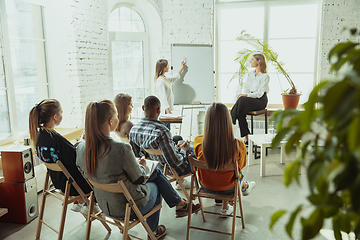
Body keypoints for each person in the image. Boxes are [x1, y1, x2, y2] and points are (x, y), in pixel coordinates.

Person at [76, 100, 201, 239]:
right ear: (111, 121)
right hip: (129, 208)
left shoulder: (81, 148)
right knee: (156, 179)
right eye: (117, 115)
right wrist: (142, 165)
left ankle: (180, 205)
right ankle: (155, 229)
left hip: (105, 206)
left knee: (156, 173)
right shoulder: (121, 149)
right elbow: (139, 178)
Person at [29, 99, 92, 214]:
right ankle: (88, 205)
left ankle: (80, 202)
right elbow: (76, 159)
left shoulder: (39, 137)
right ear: (55, 117)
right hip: (74, 185)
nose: (62, 116)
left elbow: (64, 156)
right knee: (98, 175)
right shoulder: (56, 139)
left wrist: (73, 147)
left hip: (59, 182)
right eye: (61, 113)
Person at [194, 102, 256, 217]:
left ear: (208, 121)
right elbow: (240, 166)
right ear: (227, 121)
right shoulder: (238, 145)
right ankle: (230, 201)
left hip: (206, 186)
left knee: (219, 169)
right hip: (229, 188)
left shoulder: (198, 142)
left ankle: (243, 188)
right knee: (235, 172)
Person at [129, 95, 192, 189]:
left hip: (156, 168)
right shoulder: (163, 131)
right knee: (197, 152)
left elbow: (136, 156)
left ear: (143, 108)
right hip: (174, 169)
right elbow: (174, 163)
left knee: (178, 140)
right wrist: (183, 150)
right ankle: (210, 187)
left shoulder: (134, 129)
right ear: (158, 109)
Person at [230, 53, 269, 143]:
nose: (250, 61)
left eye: (252, 59)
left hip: (260, 101)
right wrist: (246, 95)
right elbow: (246, 89)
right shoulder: (250, 74)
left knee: (241, 99)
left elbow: (259, 94)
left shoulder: (265, 76)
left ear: (258, 61)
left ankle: (231, 120)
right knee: (240, 111)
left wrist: (246, 96)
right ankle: (247, 139)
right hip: (249, 100)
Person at [155, 59, 185, 130]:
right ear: (164, 68)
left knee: (167, 129)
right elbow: (163, 97)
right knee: (165, 129)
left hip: (166, 109)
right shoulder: (160, 81)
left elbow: (173, 78)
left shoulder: (164, 78)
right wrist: (168, 110)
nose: (169, 66)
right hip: (164, 109)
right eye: (167, 65)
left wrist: (181, 69)